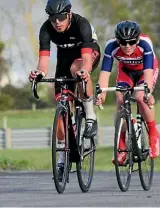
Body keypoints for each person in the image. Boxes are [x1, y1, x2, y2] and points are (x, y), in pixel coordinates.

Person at [28, 0, 101, 179]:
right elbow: (44, 60)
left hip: (87, 54)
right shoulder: (46, 29)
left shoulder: (81, 23)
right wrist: (39, 72)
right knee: (61, 112)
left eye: (60, 17)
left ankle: (90, 116)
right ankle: (63, 160)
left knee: (77, 70)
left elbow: (85, 58)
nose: (57, 22)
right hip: (64, 59)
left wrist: (85, 71)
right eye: (53, 19)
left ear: (68, 14)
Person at [95, 20, 160, 164]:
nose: (127, 46)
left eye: (131, 42)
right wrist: (101, 94)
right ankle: (122, 146)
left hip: (146, 71)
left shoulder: (145, 43)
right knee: (119, 98)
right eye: (123, 43)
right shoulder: (111, 46)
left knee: (140, 97)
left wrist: (148, 92)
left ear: (137, 39)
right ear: (117, 40)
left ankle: (154, 134)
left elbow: (148, 72)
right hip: (126, 72)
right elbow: (105, 73)